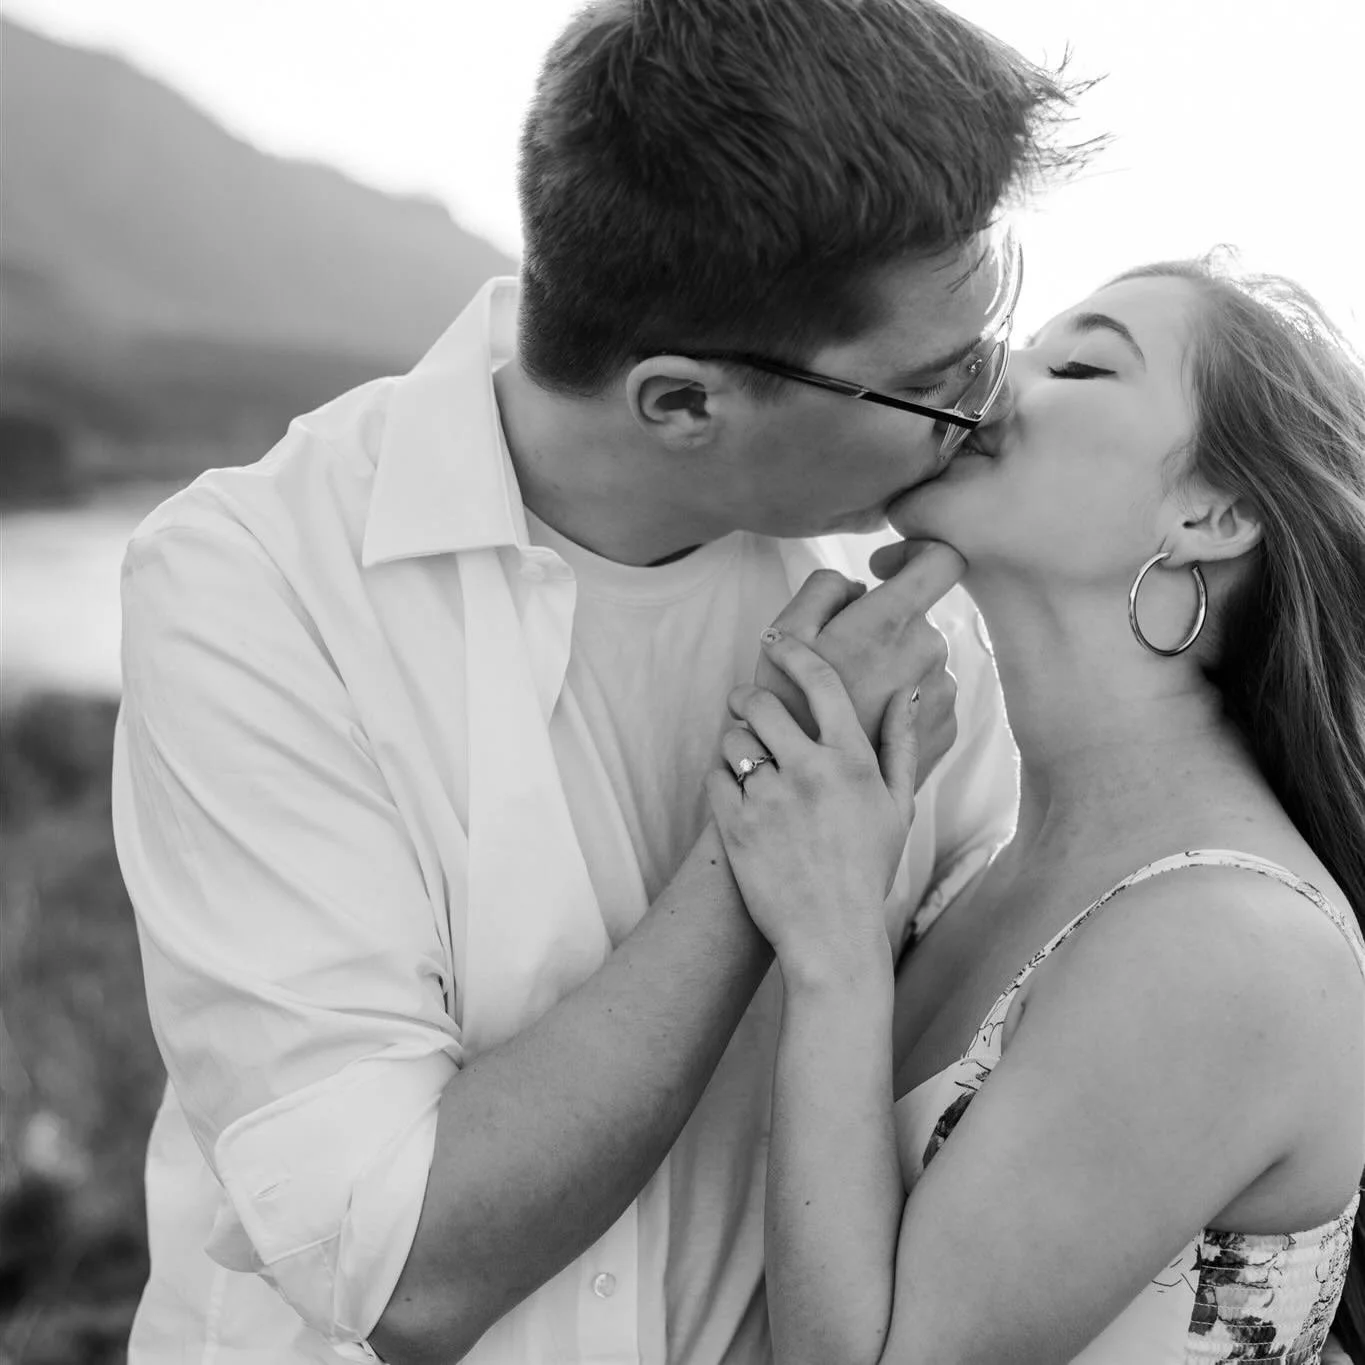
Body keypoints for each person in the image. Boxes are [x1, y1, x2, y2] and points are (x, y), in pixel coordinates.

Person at [110, 2, 1094, 1361]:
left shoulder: (937, 599)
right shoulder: (254, 582)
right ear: (682, 403)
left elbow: (990, 1066)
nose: (981, 416)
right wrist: (772, 831)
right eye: (934, 388)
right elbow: (401, 1268)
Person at [708, 253, 1365, 1363]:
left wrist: (834, 952)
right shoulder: (973, 870)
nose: (992, 376)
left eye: (1080, 364)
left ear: (1215, 511)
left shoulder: (1230, 952)